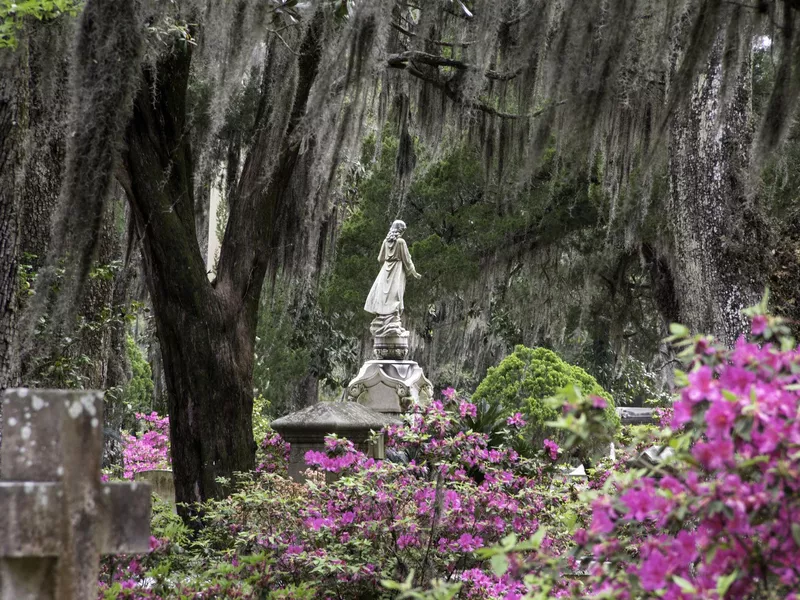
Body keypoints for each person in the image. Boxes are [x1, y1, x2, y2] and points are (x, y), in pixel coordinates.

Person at [364, 220, 421, 324]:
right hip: (397, 270)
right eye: (402, 230)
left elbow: (380, 258)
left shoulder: (386, 241)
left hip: (385, 269)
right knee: (396, 294)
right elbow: (407, 259)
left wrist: (385, 266)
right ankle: (393, 317)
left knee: (384, 294)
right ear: (399, 230)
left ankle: (383, 317)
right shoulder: (400, 242)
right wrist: (413, 271)